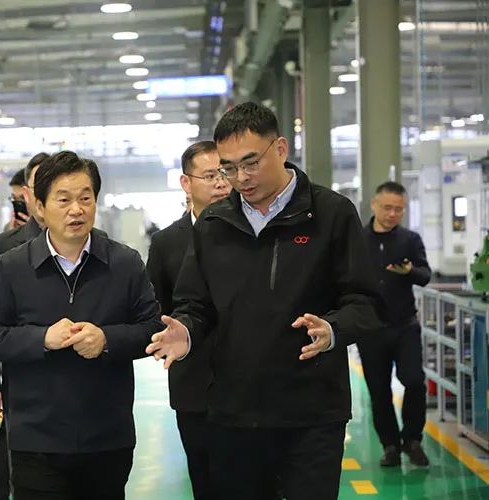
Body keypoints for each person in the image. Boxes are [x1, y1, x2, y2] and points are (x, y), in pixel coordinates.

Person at [145, 102, 382, 499]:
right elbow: (195, 304)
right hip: (234, 414)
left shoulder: (330, 215)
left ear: (281, 149)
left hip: (311, 412)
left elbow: (366, 301)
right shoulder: (214, 224)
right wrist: (185, 331)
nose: (240, 178)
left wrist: (333, 329)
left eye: (251, 163)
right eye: (228, 167)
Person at [0, 150, 162, 500]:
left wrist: (106, 339)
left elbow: (152, 328)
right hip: (36, 440)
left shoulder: (124, 263)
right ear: (40, 207)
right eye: (64, 200)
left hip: (107, 437)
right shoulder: (12, 267)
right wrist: (42, 338)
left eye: (85, 198)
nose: (77, 209)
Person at [145, 140, 230, 500]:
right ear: (186, 183)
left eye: (225, 173)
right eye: (210, 175)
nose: (221, 183)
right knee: (205, 478)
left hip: (251, 386)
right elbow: (156, 310)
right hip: (194, 385)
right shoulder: (167, 243)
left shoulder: (253, 233)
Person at [0, 152, 49, 500]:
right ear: (26, 193)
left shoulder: (96, 244)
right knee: (12, 449)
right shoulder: (6, 246)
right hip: (21, 371)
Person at [360, 181, 431, 467]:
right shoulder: (357, 240)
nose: (392, 214)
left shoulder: (410, 240)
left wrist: (410, 271)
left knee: (413, 380)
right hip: (370, 329)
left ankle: (412, 439)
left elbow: (425, 275)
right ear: (374, 205)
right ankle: (390, 445)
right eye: (387, 208)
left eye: (399, 209)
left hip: (404, 326)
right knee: (379, 391)